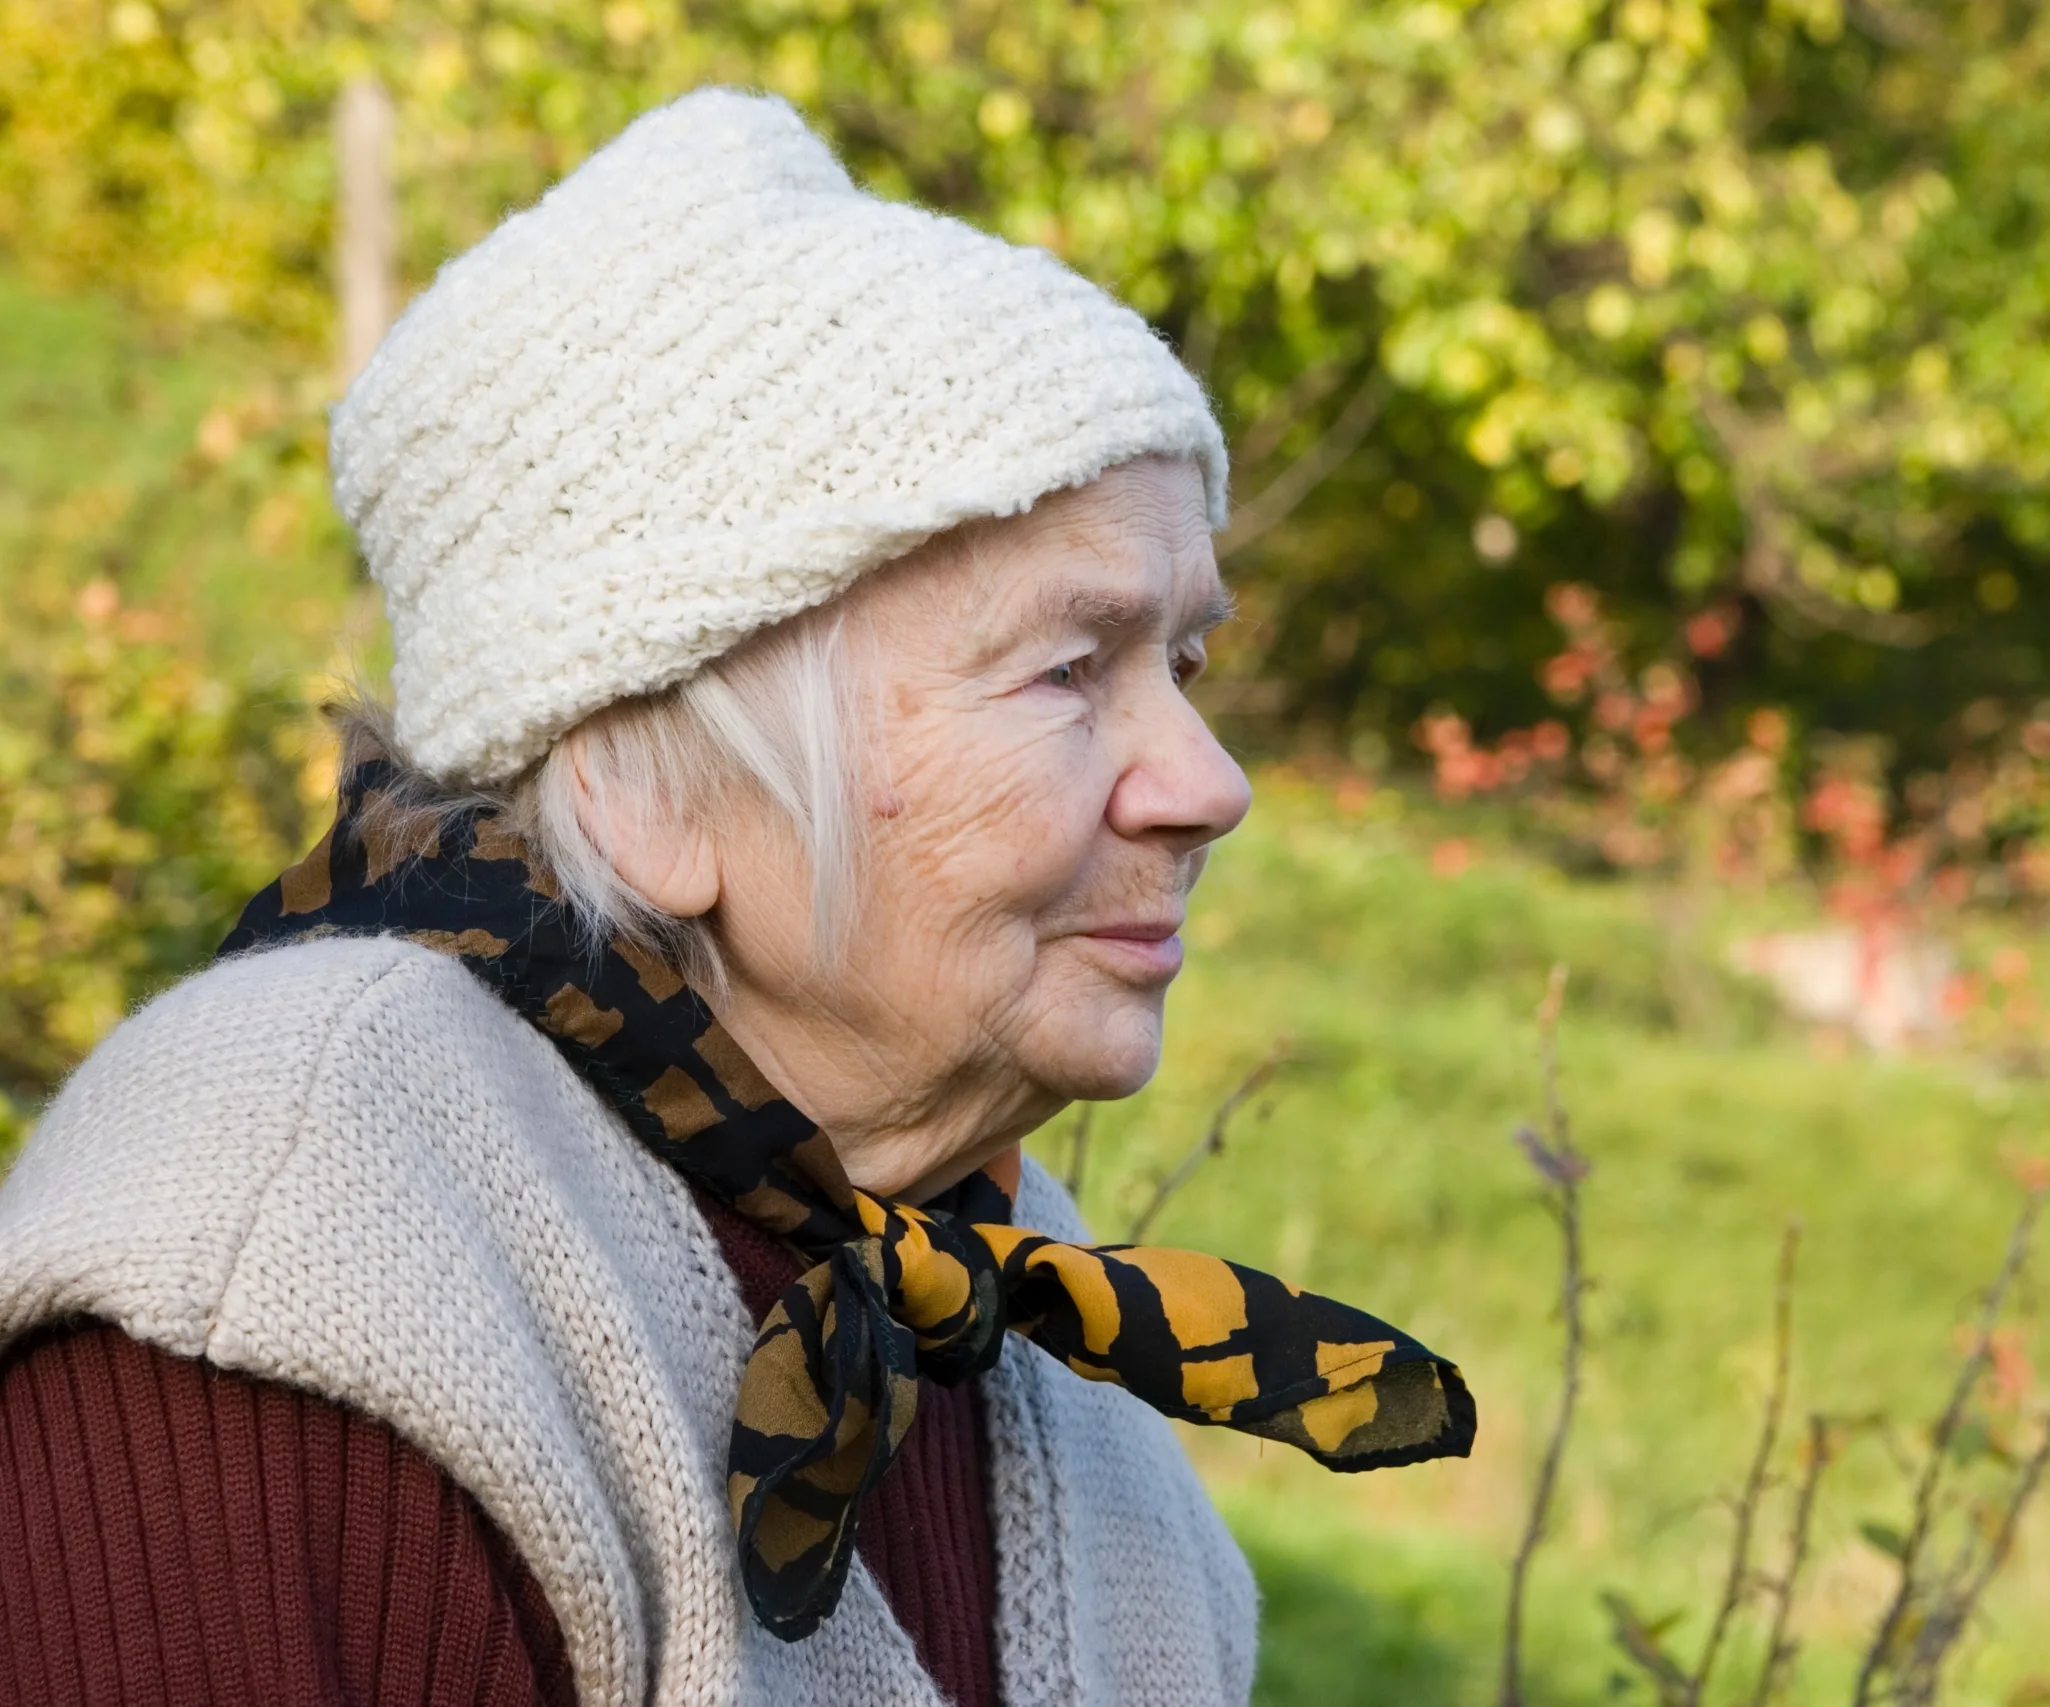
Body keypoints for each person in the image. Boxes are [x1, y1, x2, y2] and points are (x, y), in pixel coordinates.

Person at [0, 88, 1470, 1707]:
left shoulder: (1016, 1321)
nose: (1208, 780)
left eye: (1182, 662)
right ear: (647, 786)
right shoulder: (289, 1250)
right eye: (1069, 668)